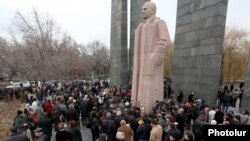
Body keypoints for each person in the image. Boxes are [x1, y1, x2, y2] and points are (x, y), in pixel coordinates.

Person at [132, 1, 171, 112]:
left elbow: (165, 41)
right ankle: (136, 107)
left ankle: (148, 110)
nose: (142, 11)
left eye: (145, 9)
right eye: (142, 9)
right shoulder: (141, 27)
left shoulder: (159, 22)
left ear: (152, 10)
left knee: (148, 91)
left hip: (151, 63)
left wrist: (154, 59)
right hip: (140, 63)